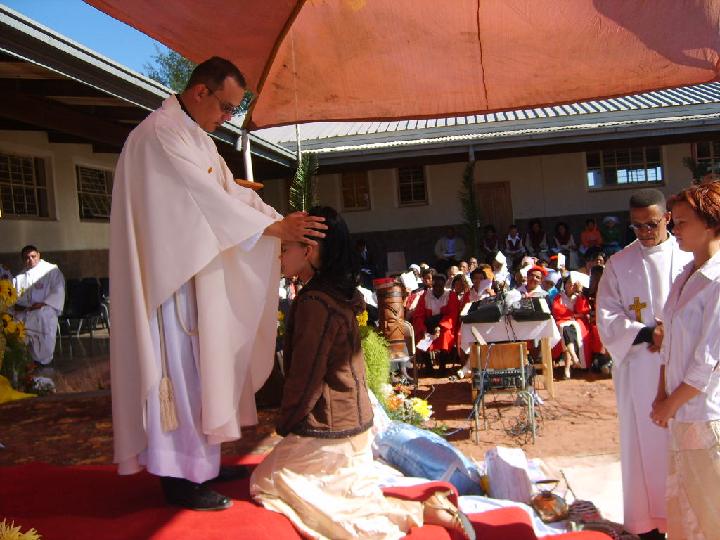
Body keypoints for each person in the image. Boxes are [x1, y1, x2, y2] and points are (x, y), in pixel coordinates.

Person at [110, 57, 327, 511]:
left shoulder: (197, 138)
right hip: (170, 282)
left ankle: (201, 463)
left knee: (203, 371)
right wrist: (275, 230)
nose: (228, 117)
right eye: (226, 107)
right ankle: (179, 477)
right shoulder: (161, 134)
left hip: (196, 274)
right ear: (200, 92)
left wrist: (280, 221)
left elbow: (232, 193)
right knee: (182, 377)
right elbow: (203, 200)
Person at [250, 207, 475, 540]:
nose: (279, 255)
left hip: (329, 434)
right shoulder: (338, 296)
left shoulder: (314, 302)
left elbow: (306, 378)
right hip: (354, 429)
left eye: (285, 248)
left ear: (308, 251)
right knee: (342, 493)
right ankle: (425, 507)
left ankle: (419, 511)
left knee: (266, 483)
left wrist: (285, 424)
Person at [596, 188, 692, 539]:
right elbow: (607, 318)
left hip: (684, 369)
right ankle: (648, 526)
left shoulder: (689, 256)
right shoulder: (619, 264)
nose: (645, 232)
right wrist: (649, 333)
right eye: (637, 226)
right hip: (638, 369)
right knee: (642, 449)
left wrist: (674, 333)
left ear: (667, 218)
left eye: (651, 224)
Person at [650, 182, 720, 539]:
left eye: (682, 223)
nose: (674, 230)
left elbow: (707, 361)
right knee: (685, 508)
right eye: (673, 222)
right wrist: (661, 395)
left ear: (710, 224)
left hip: (706, 413)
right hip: (680, 411)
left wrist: (670, 403)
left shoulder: (717, 280)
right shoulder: (685, 277)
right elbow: (668, 343)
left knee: (711, 511)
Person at [12, 245, 65, 366]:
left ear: (39, 255)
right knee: (14, 322)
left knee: (42, 315)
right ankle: (24, 360)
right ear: (22, 259)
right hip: (26, 312)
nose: (30, 260)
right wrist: (20, 306)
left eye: (33, 256)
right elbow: (14, 299)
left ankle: (43, 359)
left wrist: (43, 303)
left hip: (45, 308)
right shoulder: (19, 277)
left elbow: (59, 290)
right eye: (27, 258)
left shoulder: (51, 270)